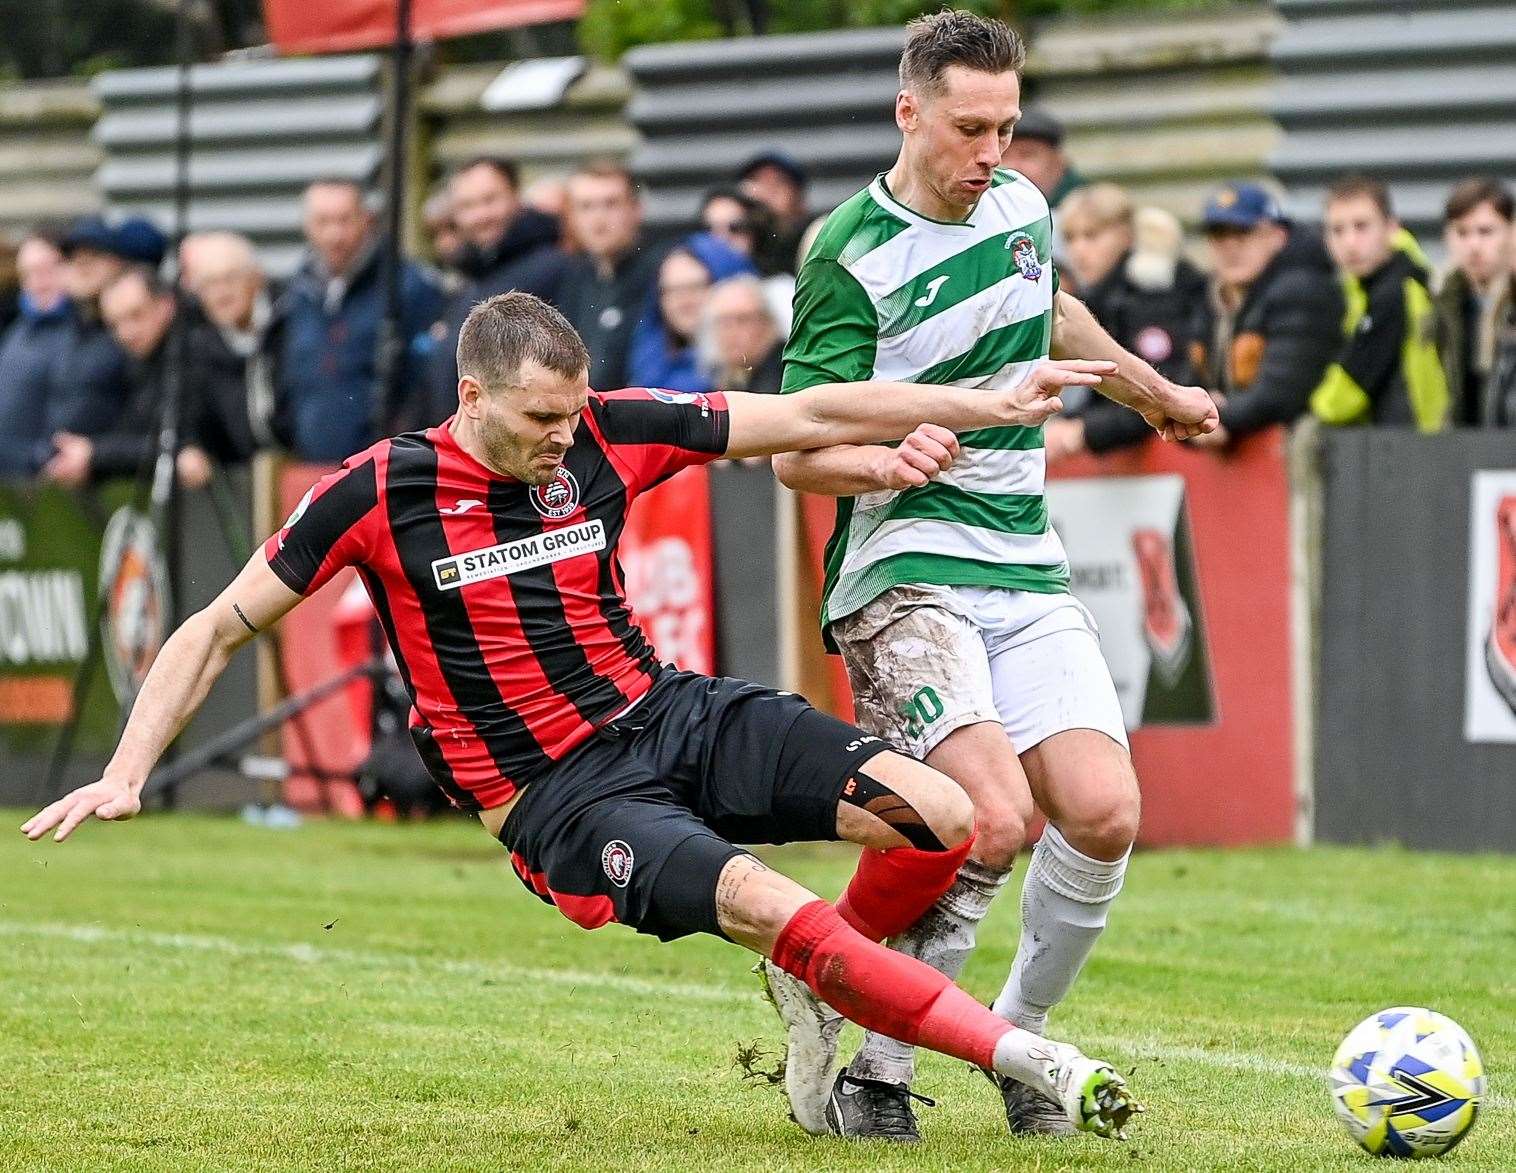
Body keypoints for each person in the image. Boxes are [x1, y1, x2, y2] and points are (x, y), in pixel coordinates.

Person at [23, 290, 1145, 1145]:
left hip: (666, 712)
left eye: (572, 410)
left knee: (943, 815)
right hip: (556, 794)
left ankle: (823, 976)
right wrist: (130, 770)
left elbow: (805, 410)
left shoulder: (608, 429)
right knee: (769, 901)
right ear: (471, 398)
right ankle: (1026, 1058)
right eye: (539, 417)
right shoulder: (379, 490)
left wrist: (977, 405)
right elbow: (215, 627)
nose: (565, 435)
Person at [770, 10, 1216, 1142]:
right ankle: (871, 1061)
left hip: (1021, 560)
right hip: (902, 567)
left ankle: (1017, 1047)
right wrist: (885, 453)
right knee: (984, 820)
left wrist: (1150, 394)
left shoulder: (1020, 207)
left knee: (1108, 813)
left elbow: (1046, 305)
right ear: (907, 111)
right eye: (969, 128)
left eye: (1006, 129)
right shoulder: (843, 255)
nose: (991, 154)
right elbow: (790, 448)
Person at [281, 178, 443, 461]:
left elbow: (427, 382)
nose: (335, 234)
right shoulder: (296, 295)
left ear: (366, 220)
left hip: (386, 469)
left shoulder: (409, 287)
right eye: (323, 221)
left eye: (344, 220)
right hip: (310, 467)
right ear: (306, 225)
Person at [44, 267, 245, 490]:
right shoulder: (137, 364)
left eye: (136, 315)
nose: (126, 332)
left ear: (166, 305)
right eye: (115, 324)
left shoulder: (198, 354)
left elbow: (188, 445)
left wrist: (96, 454)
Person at [1046, 187, 1208, 463]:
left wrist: (1085, 431)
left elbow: (1165, 384)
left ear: (1125, 236)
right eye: (1071, 238)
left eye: (1092, 236)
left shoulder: (1149, 298)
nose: (1079, 250)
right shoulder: (1094, 298)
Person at [1190, 182, 1343, 449]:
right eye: (1218, 236)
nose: (1230, 247)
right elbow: (1184, 377)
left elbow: (1282, 394)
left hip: (1311, 458)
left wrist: (1210, 418)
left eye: (1243, 233)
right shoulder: (1210, 297)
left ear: (1278, 235)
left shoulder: (1303, 290)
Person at [426, 157, 570, 426]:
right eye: (467, 205)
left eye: (490, 200)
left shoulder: (553, 268)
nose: (480, 215)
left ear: (516, 198)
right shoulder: (470, 276)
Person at [1310, 176, 1448, 432]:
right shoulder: (1367, 285)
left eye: (1361, 227)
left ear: (1391, 228)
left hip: (1410, 443)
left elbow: (1352, 387)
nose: (1350, 243)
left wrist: (1313, 413)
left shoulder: (1395, 290)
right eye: (1338, 230)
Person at [557, 162, 661, 392]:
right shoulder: (574, 278)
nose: (598, 218)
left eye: (611, 204)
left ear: (636, 209)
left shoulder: (662, 272)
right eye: (586, 207)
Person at [180, 232, 278, 452]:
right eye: (209, 284)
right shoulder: (200, 347)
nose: (221, 292)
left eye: (230, 278)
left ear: (256, 278)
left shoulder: (290, 322)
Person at [628, 235, 754, 393]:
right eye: (671, 291)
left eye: (694, 287)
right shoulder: (648, 363)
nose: (683, 301)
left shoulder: (749, 367)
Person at [1435, 178, 1515, 426]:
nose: (1474, 245)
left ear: (1512, 233)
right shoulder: (1441, 305)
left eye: (1486, 231)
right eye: (1462, 232)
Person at [0, 229, 76, 477]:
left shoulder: (85, 334)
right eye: (28, 274)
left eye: (46, 270)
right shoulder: (15, 333)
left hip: (49, 477)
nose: (37, 282)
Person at [703, 275, 784, 394]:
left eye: (742, 320)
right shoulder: (724, 377)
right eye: (724, 322)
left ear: (767, 323)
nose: (731, 332)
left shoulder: (785, 374)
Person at [738, 150, 810, 274]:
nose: (766, 191)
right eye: (757, 181)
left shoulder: (810, 238)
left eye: (778, 182)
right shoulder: (734, 238)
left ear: (798, 196)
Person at [999, 106, 1084, 209]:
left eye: (1027, 155)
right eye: (1003, 155)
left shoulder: (1090, 214)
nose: (1012, 166)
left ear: (1058, 162)